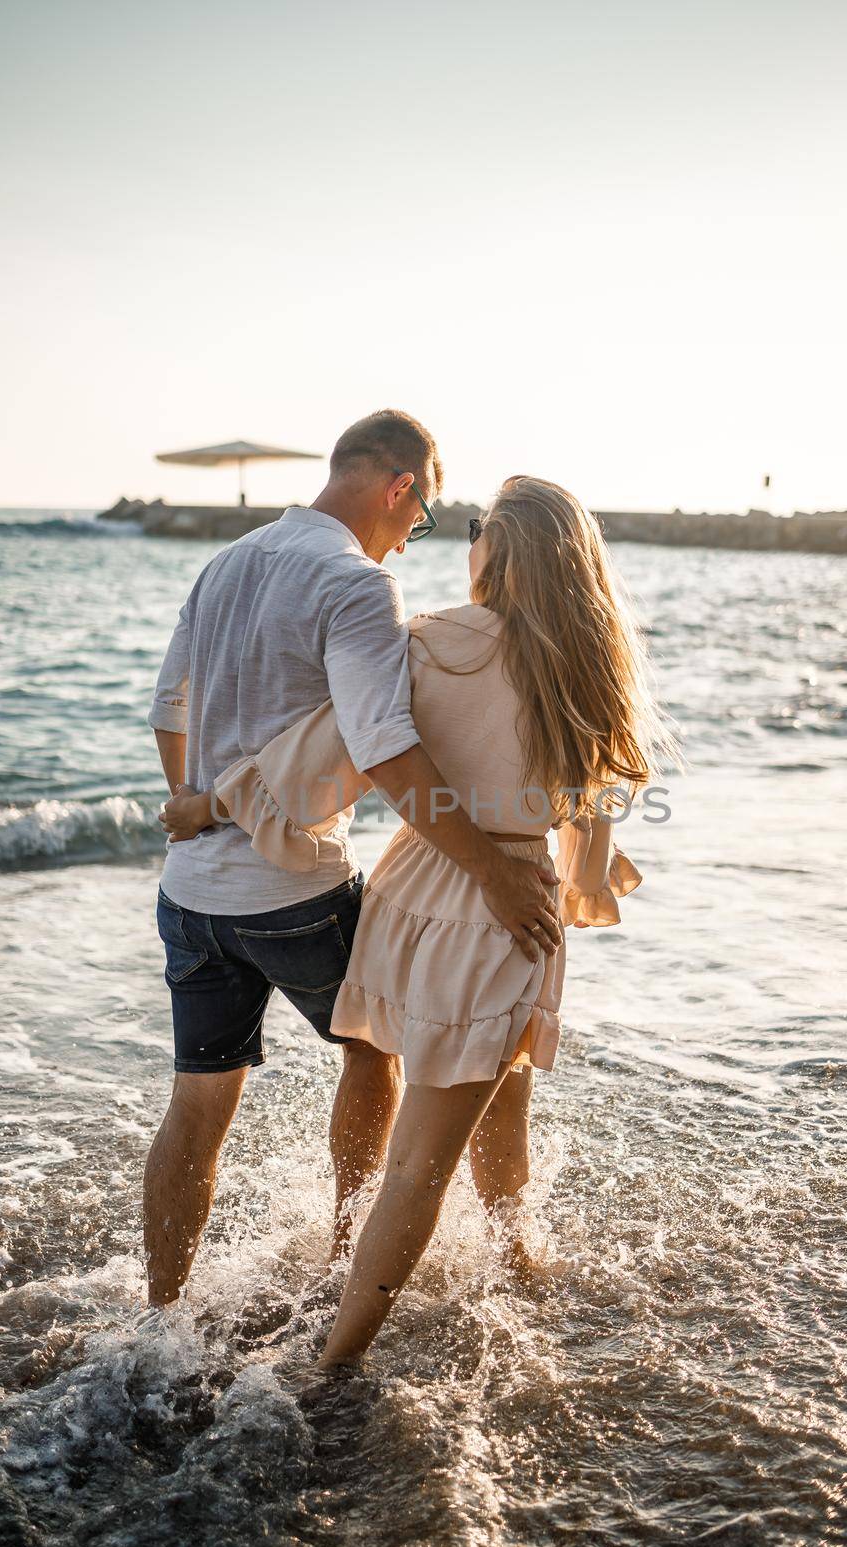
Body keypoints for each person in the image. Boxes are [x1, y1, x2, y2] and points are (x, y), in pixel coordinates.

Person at [162, 476, 672, 1365]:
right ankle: (335, 1360)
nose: (465, 543)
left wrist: (211, 805)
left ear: (496, 552)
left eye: (475, 529)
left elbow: (334, 754)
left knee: (498, 1084)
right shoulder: (593, 669)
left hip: (403, 900)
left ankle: (510, 1255)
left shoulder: (429, 640)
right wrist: (579, 888)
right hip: (503, 911)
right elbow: (586, 825)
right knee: (423, 1160)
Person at [143, 413, 562, 1308]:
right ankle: (344, 1262)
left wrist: (196, 807)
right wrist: (491, 867)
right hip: (294, 892)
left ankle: (162, 1313)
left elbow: (169, 705)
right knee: (374, 1056)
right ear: (399, 487)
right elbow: (384, 749)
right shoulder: (355, 584)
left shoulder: (228, 561)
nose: (411, 546)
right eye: (419, 524)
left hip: (189, 896)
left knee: (197, 1105)